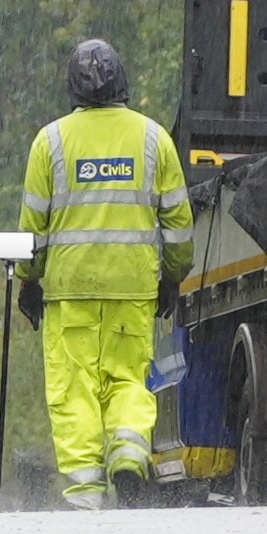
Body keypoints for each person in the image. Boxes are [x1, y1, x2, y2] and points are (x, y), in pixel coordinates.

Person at [17, 37, 192, 508]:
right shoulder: (155, 140)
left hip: (68, 293)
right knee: (128, 380)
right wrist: (172, 277)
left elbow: (33, 227)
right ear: (123, 83)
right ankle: (129, 458)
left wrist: (27, 279)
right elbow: (177, 226)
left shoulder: (49, 142)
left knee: (73, 390)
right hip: (133, 290)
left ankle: (85, 493)